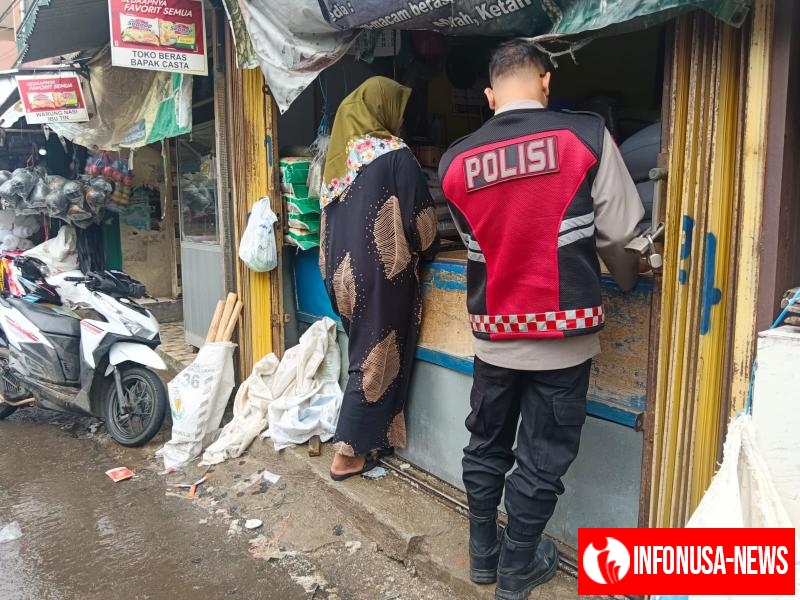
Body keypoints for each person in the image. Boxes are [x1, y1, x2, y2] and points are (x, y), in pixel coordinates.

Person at [439, 40, 645, 599]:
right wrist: (627, 280)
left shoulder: (455, 162)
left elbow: (476, 247)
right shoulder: (585, 137)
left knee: (485, 445)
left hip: (494, 339)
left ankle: (484, 557)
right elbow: (623, 236)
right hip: (564, 339)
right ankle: (515, 575)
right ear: (546, 82)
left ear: (488, 95)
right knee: (540, 458)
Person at [320, 76, 439, 481]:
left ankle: (373, 440)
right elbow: (423, 225)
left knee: (364, 355)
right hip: (381, 272)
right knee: (375, 361)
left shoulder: (336, 159)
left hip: (341, 275)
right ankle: (348, 454)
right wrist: (432, 247)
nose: (401, 122)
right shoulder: (395, 155)